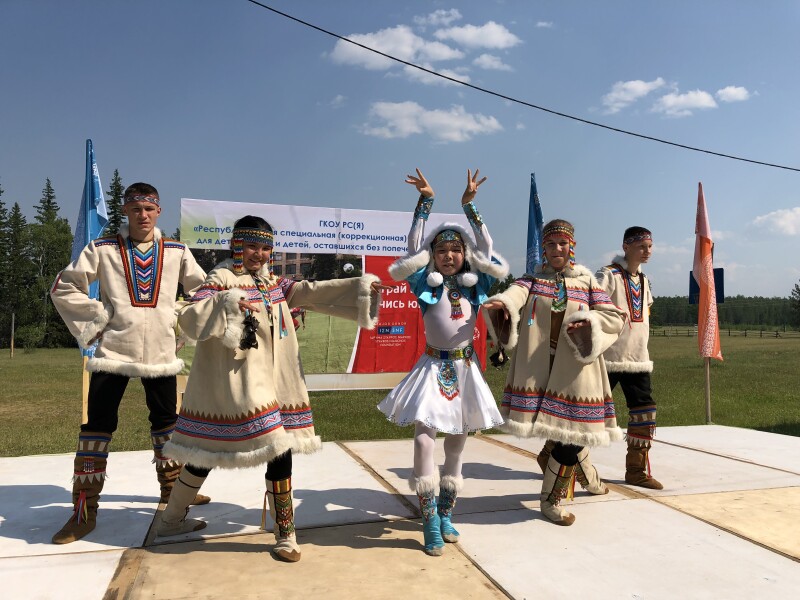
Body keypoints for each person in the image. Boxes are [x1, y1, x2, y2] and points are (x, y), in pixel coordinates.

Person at [158, 215, 384, 563]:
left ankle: (284, 531)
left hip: (274, 382)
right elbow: (189, 316)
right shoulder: (221, 278)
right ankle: (173, 520)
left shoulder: (272, 282)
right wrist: (225, 303)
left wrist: (360, 289)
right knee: (205, 455)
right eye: (252, 246)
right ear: (237, 246)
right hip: (236, 384)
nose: (259, 254)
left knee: (275, 448)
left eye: (265, 247)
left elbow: (310, 292)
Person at [49, 182, 209, 544]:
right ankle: (82, 513)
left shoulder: (177, 252)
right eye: (135, 208)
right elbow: (64, 285)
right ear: (126, 211)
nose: (142, 215)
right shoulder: (103, 249)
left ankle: (173, 497)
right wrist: (97, 319)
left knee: (168, 424)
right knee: (96, 427)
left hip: (160, 356)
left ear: (159, 211)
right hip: (113, 354)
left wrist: (180, 322)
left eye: (149, 209)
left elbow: (204, 293)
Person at [378, 169, 508, 556]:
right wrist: (426, 201)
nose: (448, 256)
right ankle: (429, 520)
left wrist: (471, 208)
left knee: (457, 445)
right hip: (432, 369)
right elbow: (411, 245)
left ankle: (447, 512)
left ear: (463, 254)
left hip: (466, 371)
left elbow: (487, 246)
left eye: (455, 250)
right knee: (423, 440)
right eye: (441, 251)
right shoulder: (424, 285)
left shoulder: (478, 284)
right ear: (432, 256)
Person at [483, 219, 626, 525]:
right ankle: (556, 498)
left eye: (563, 243)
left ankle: (565, 490)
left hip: (576, 368)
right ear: (544, 249)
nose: (557, 249)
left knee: (573, 435)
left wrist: (590, 325)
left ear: (571, 247)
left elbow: (613, 316)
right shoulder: (531, 281)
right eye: (551, 244)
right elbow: (513, 297)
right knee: (570, 434)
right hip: (539, 366)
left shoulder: (587, 282)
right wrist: (501, 305)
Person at [594, 226, 663, 489]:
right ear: (626, 246)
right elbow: (590, 303)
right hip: (607, 358)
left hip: (637, 359)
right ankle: (555, 458)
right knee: (587, 411)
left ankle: (636, 470)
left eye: (650, 246)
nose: (647, 251)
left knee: (645, 412)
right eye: (641, 246)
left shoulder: (644, 280)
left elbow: (647, 311)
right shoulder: (608, 275)